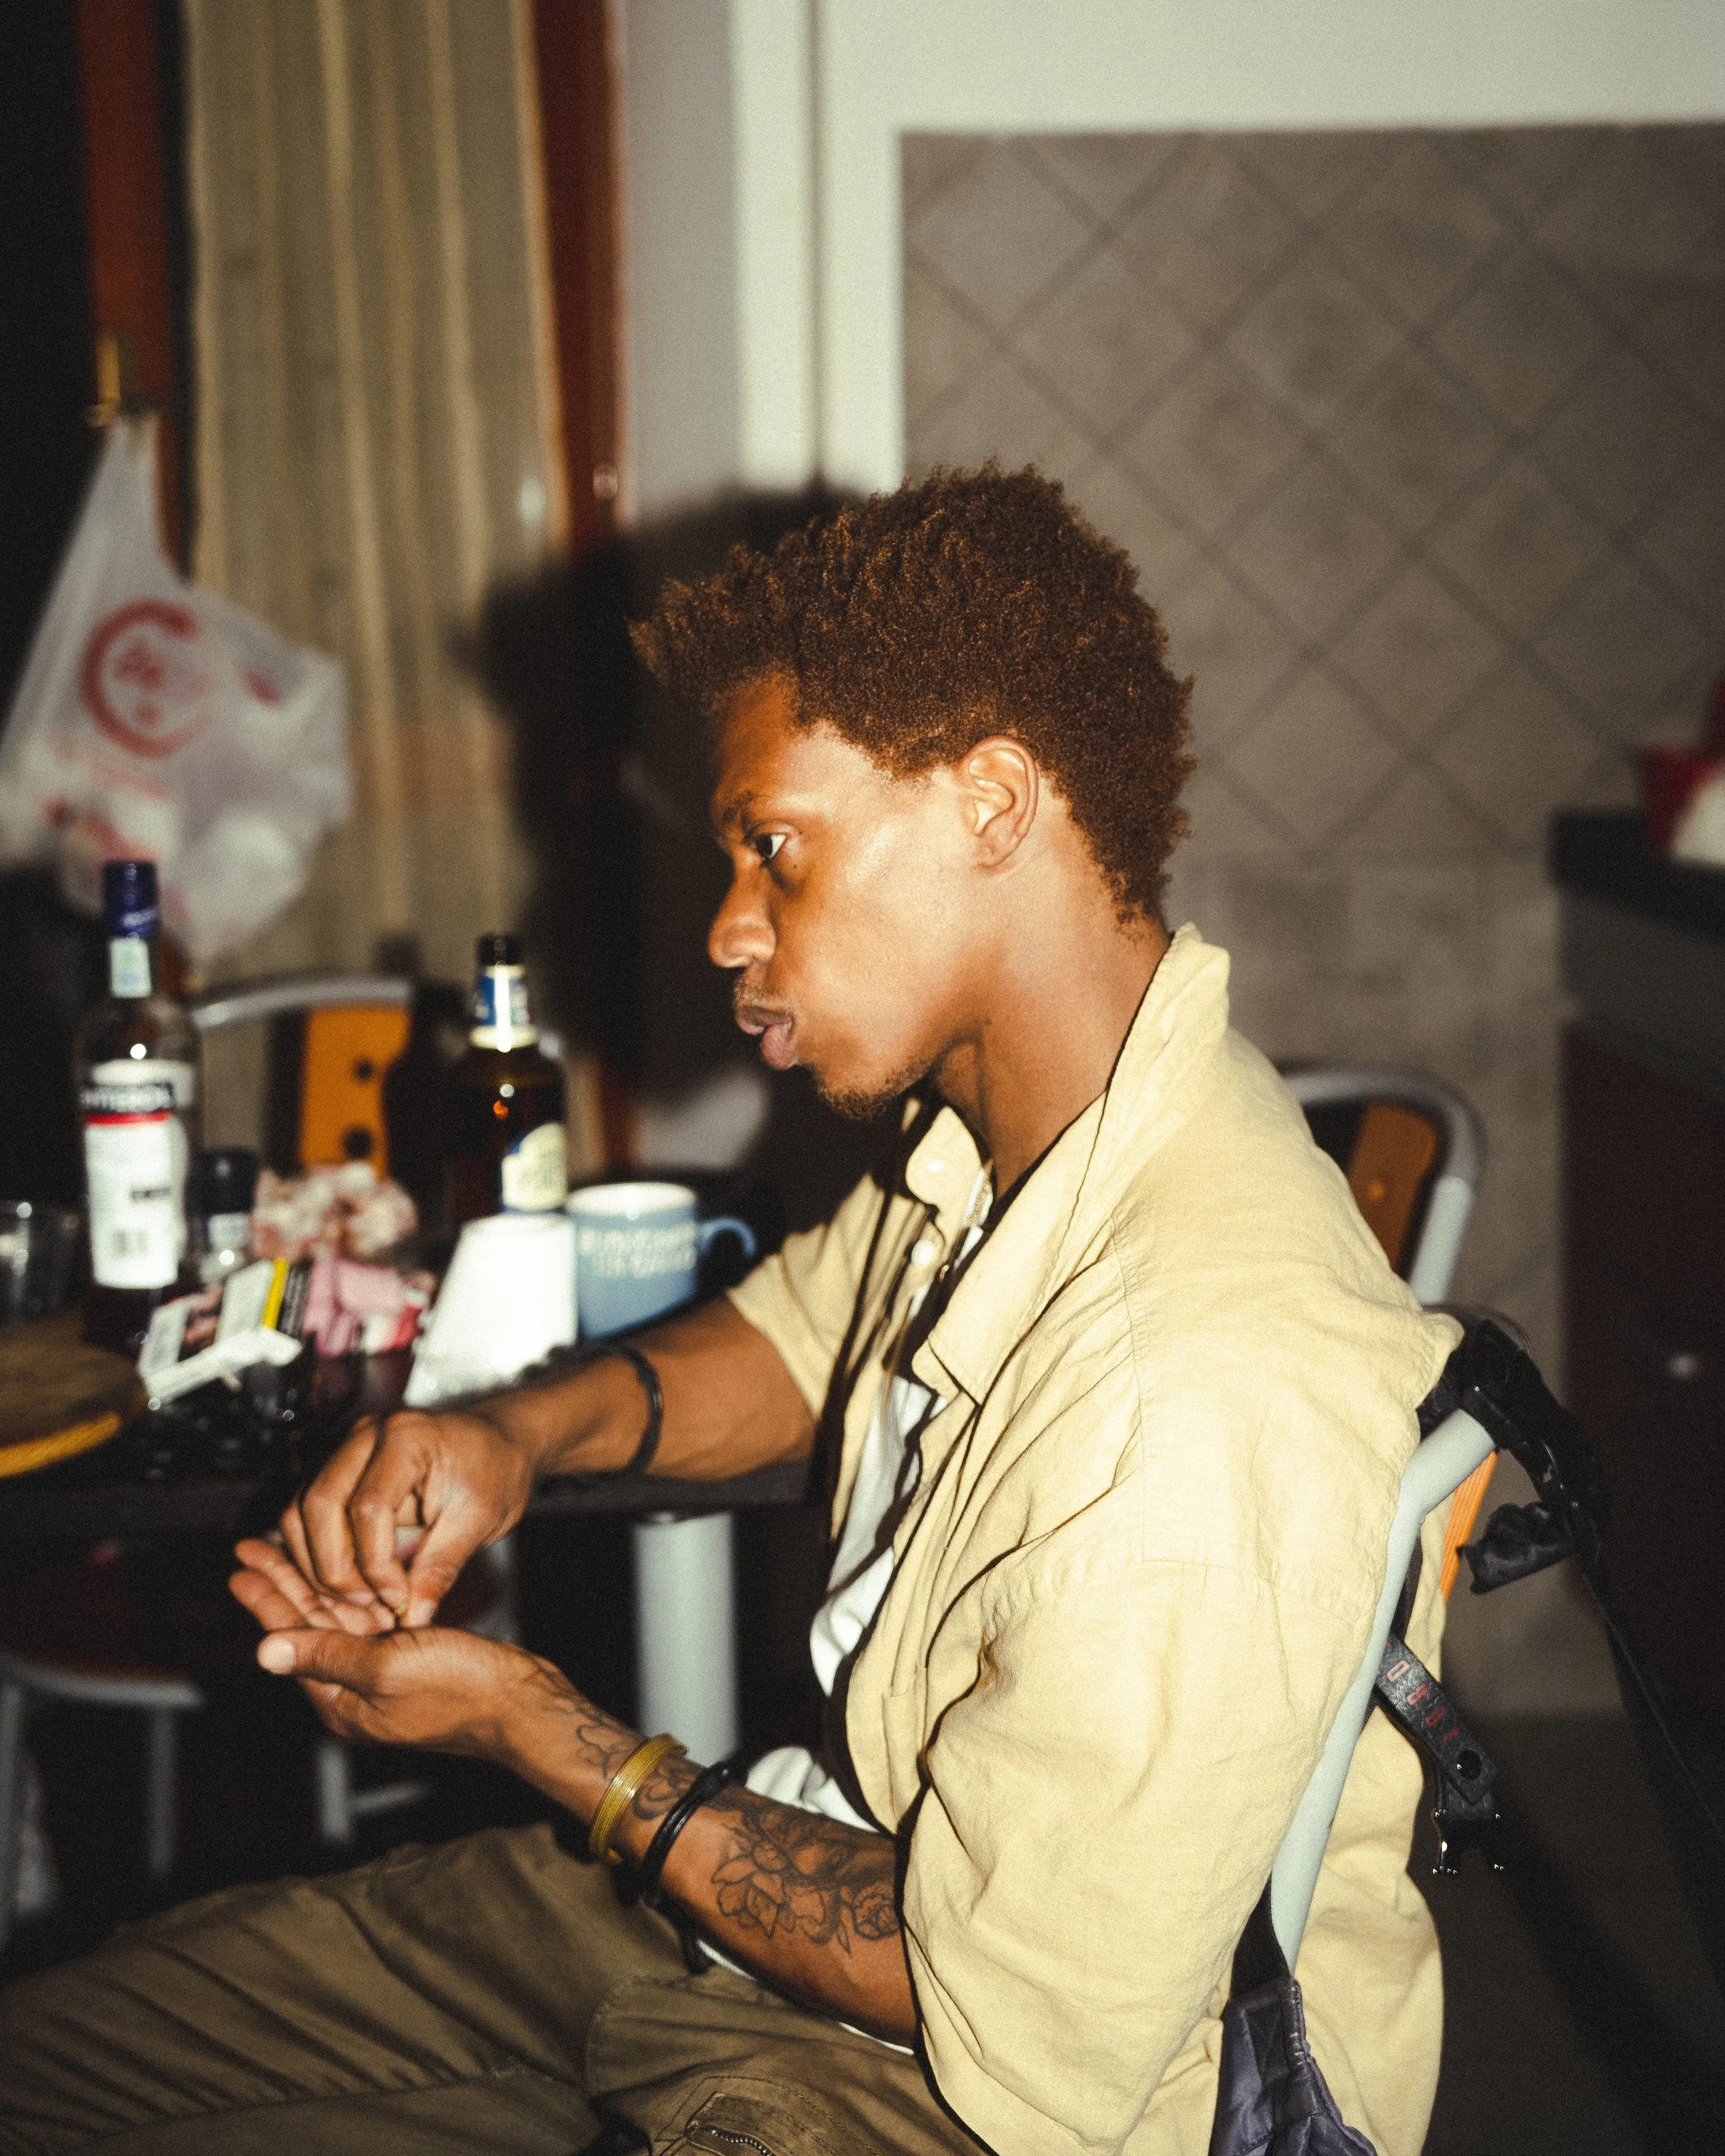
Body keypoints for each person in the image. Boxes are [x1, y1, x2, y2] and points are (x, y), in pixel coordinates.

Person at [0, 468, 1459, 2156]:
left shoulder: (1201, 1379)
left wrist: (542, 1733)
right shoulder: (1023, 1143)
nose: (723, 924)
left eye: (775, 845)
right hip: (758, 1903)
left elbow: (990, 1997)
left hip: (985, 2092)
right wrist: (506, 1436)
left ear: (993, 802)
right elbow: (788, 1331)